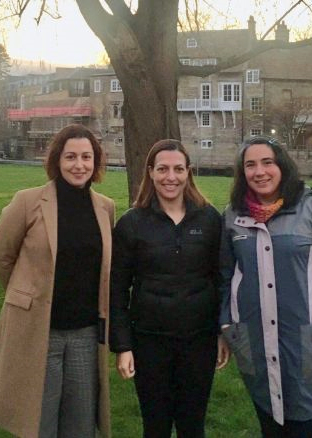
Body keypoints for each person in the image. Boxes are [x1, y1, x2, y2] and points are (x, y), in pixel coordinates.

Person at [0, 124, 114, 438]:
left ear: (95, 162)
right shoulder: (27, 202)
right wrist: (26, 295)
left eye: (86, 157)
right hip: (40, 331)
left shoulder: (105, 208)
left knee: (81, 425)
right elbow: (1, 257)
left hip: (85, 332)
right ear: (57, 160)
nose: (79, 165)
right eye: (71, 157)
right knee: (39, 422)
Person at [219, 135, 312, 438]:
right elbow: (224, 276)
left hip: (307, 346)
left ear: (282, 166)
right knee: (271, 426)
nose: (260, 172)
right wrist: (227, 325)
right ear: (242, 173)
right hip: (254, 345)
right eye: (250, 165)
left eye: (267, 162)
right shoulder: (232, 217)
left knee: (309, 426)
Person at [110, 139, 229, 438]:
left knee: (193, 425)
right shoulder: (132, 224)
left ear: (189, 172)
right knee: (156, 425)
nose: (170, 177)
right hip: (150, 342)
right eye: (162, 169)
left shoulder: (210, 219)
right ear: (150, 172)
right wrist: (123, 346)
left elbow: (221, 280)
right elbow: (117, 288)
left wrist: (221, 333)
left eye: (178, 169)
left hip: (198, 341)